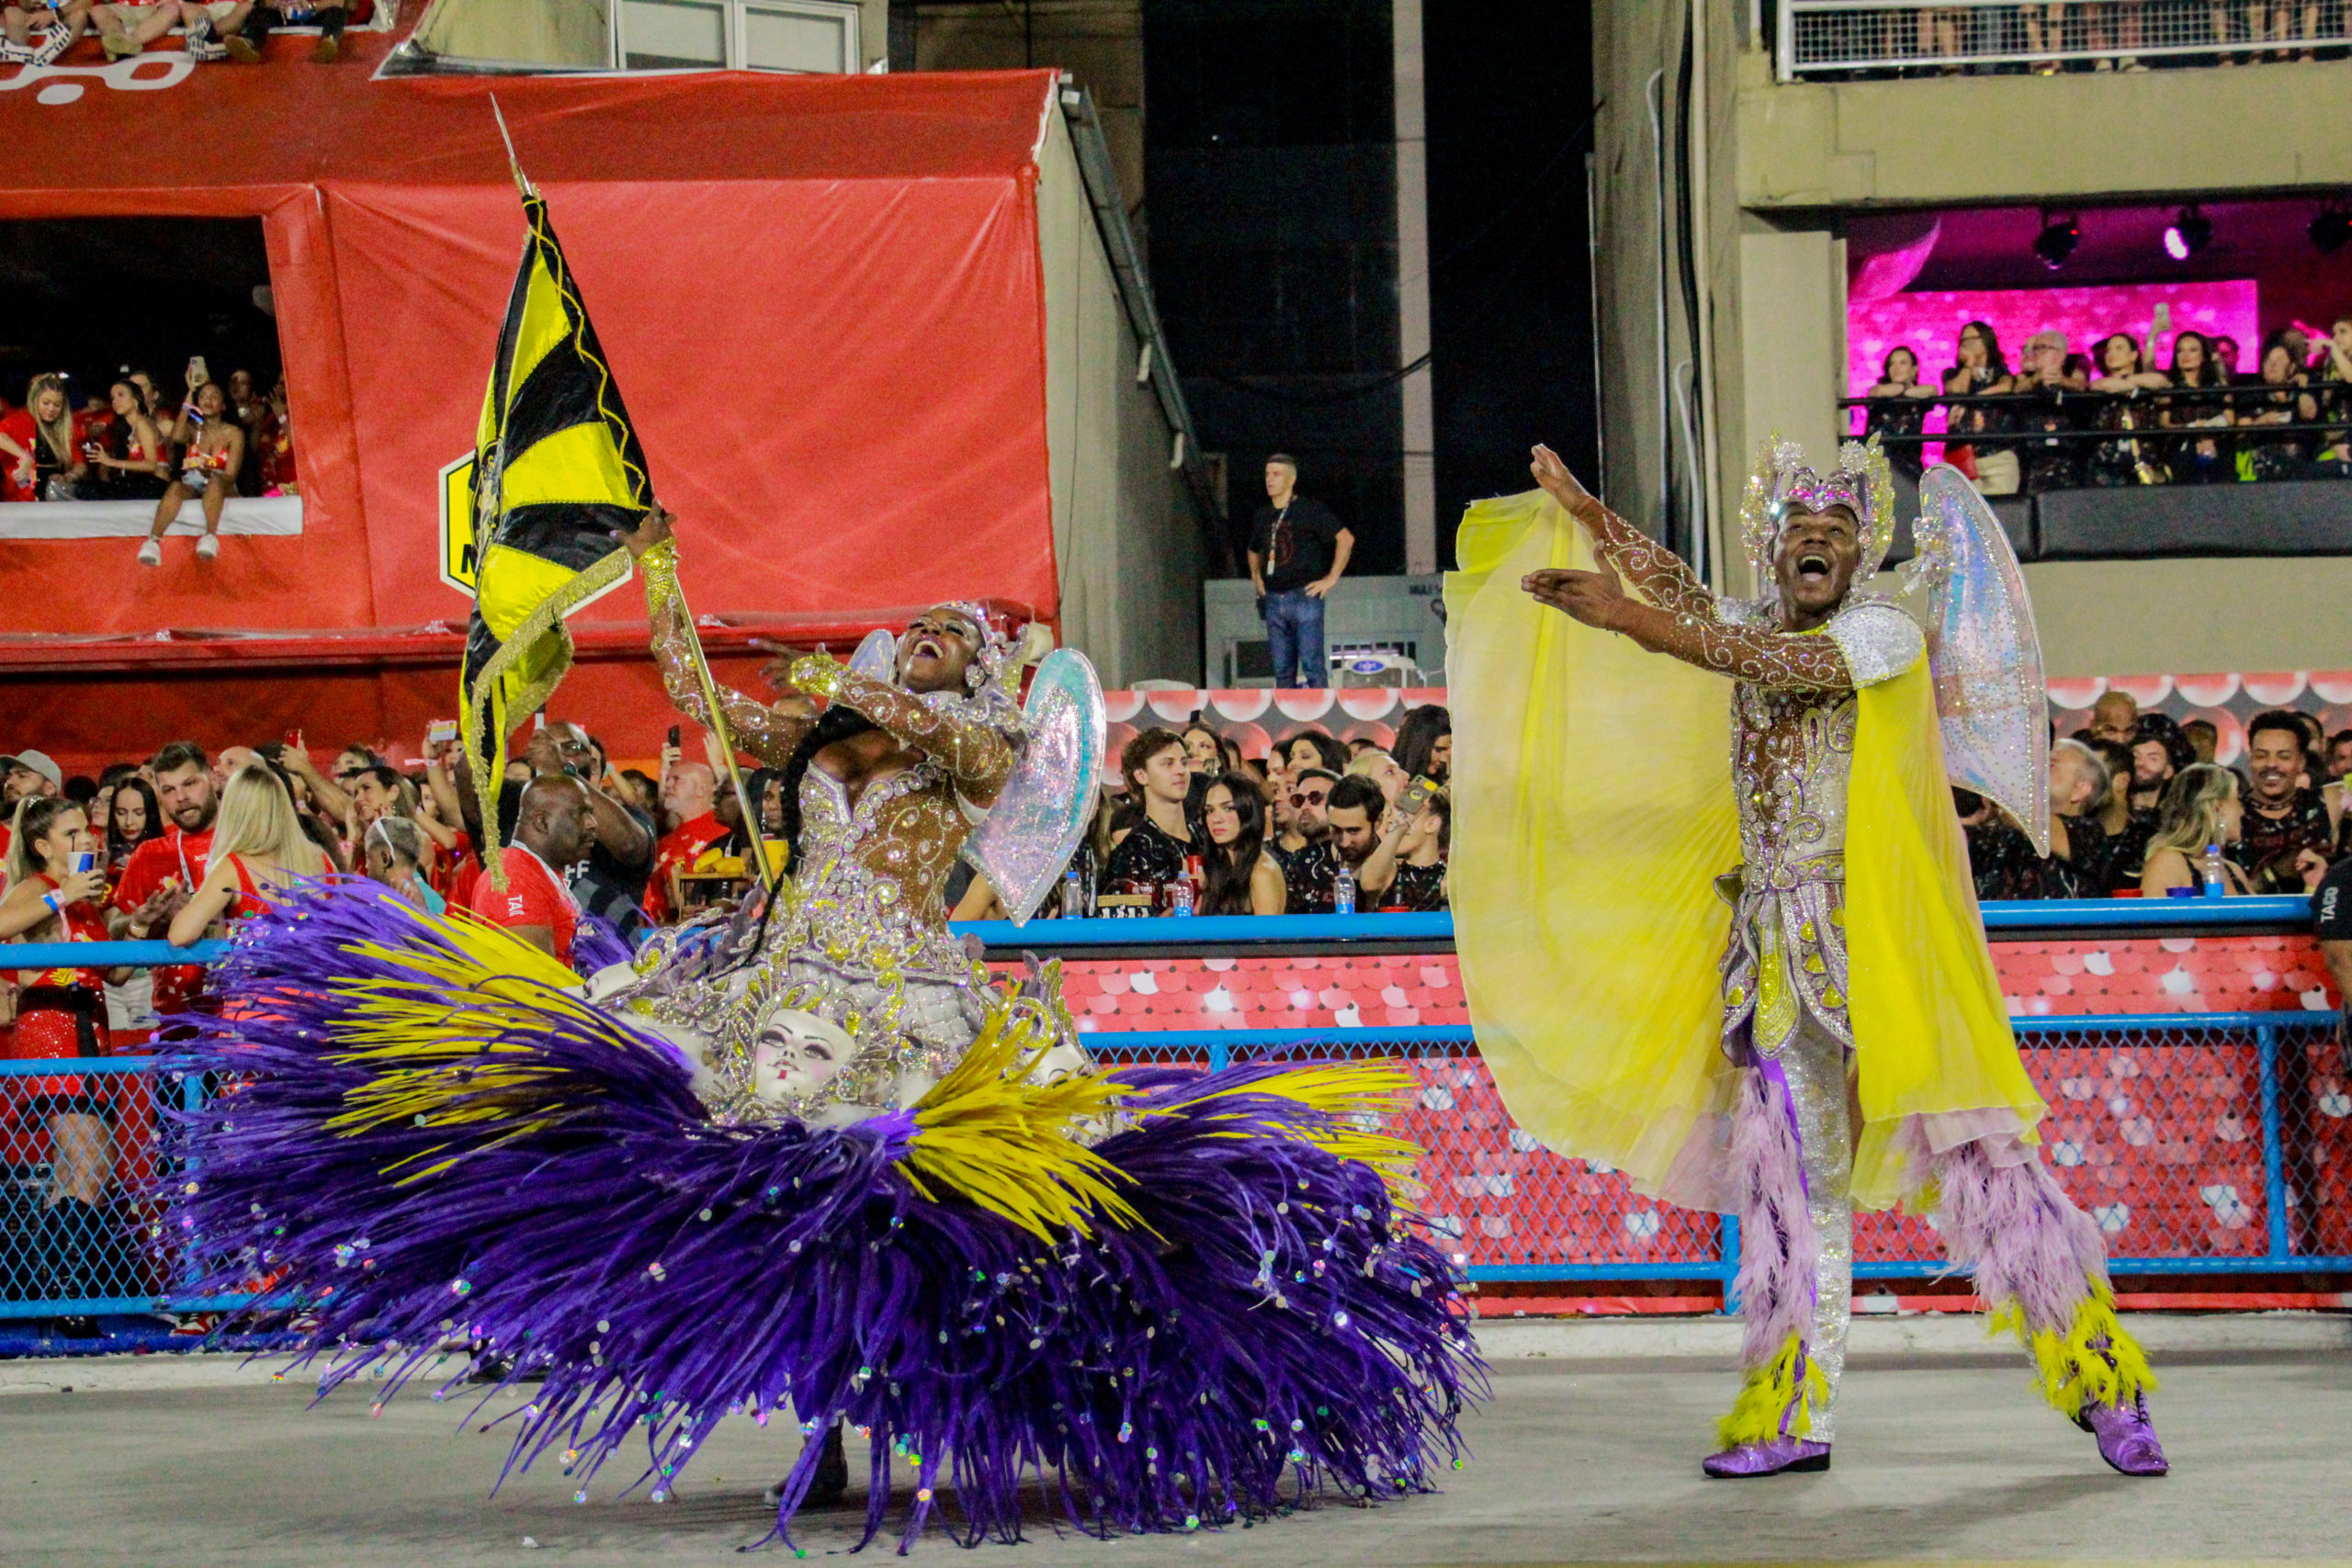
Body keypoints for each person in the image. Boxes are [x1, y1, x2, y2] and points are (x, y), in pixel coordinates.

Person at [1455, 438, 2165, 1479]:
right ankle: (1794, 1413)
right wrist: (1593, 517)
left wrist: (1632, 621)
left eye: (1836, 533)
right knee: (1794, 1185)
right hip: (1778, 953)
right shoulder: (1743, 620)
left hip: (1884, 937)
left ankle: (2105, 1388)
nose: (1816, 545)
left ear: (1859, 552)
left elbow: (1774, 664)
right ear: (1777, 550)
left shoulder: (1881, 630)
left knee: (1985, 1163)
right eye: (1800, 532)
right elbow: (1693, 599)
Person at [0, 794, 134, 1337]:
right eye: (74, 833)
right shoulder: (37, 889)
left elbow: (119, 974)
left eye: (87, 831)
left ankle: (52, 1294)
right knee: (88, 1165)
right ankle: (68, 1296)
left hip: (90, 1029)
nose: (89, 840)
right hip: (53, 1031)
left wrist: (137, 922)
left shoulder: (85, 901)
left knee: (73, 1170)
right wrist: (62, 894)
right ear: (43, 845)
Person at [107, 742, 217, 1013]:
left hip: (251, 1017)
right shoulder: (150, 854)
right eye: (169, 790)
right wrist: (149, 918)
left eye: (190, 784)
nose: (181, 797)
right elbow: (112, 932)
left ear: (212, 778)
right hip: (178, 1021)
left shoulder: (250, 843)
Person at [166, 763, 330, 945]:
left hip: (258, 972)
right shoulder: (321, 858)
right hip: (321, 973)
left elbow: (180, 935)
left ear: (232, 812)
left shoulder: (232, 867)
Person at [1248, 454, 1354, 690]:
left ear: (1291, 479)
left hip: (1304, 594)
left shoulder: (1308, 510)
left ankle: (1321, 720)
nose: (1269, 480)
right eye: (1267, 474)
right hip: (1274, 597)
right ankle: (1287, 720)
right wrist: (1257, 577)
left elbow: (1345, 538)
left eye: (1276, 474)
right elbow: (1253, 550)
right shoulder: (1263, 516)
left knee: (1312, 664)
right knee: (1281, 670)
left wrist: (1331, 579)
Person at [468, 773, 594, 967]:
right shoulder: (515, 878)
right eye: (580, 814)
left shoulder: (535, 870)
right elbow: (534, 986)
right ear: (542, 822)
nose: (592, 823)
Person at [137, 378, 245, 566]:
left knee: (215, 482)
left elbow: (231, 475)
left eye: (214, 396)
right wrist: (189, 394)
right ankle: (153, 542)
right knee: (176, 486)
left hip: (221, 484)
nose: (207, 400)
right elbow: (176, 438)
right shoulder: (193, 429)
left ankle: (210, 536)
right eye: (202, 397)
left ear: (224, 405)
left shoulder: (234, 433)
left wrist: (210, 472)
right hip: (194, 482)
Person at [2235, 710, 2339, 893]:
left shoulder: (2329, 801)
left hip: (2319, 919)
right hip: (2250, 920)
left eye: (2284, 756)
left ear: (2301, 762)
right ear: (2250, 759)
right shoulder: (2231, 814)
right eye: (2261, 755)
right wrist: (2273, 874)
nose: (2271, 764)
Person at [1101, 728, 1193, 908]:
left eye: (1184, 762)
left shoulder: (1207, 838)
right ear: (1141, 775)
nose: (1181, 770)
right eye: (1168, 763)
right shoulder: (1130, 854)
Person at [2138, 765, 2256, 897]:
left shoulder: (2234, 870)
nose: (2242, 811)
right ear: (2217, 808)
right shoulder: (2167, 863)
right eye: (2237, 801)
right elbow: (2152, 916)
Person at [2086, 333, 2170, 486]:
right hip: (2107, 468)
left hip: (2145, 465)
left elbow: (2160, 382)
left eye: (2119, 348)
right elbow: (2100, 385)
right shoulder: (2100, 384)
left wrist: (2125, 381)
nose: (2111, 354)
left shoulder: (2149, 381)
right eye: (2109, 350)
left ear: (2133, 355)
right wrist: (2135, 385)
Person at [1197, 771, 1285, 916]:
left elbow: (1267, 937)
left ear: (1248, 811)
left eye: (1228, 808)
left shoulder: (1262, 874)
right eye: (1210, 810)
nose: (1216, 819)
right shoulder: (1222, 869)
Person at [1942, 321, 2016, 494]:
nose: (1966, 343)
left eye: (1973, 338)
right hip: (1963, 456)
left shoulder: (2001, 372)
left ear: (1986, 341)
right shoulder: (1951, 373)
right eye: (1963, 340)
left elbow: (2006, 388)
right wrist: (1968, 365)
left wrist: (1973, 399)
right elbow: (1957, 390)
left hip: (1997, 455)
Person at [2012, 331, 2086, 494]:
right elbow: (2015, 390)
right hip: (2032, 465)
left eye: (2042, 348)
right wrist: (2036, 379)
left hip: (2068, 466)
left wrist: (2062, 381)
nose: (2035, 353)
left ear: (2060, 354)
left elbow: (2083, 388)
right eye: (2034, 348)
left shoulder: (2073, 381)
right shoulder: (2026, 382)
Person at [1356, 784, 1449, 912]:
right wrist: (1401, 826)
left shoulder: (1451, 877)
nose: (1391, 821)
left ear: (1432, 824)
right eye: (1390, 814)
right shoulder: (1389, 872)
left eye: (1404, 812)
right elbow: (1369, 883)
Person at [2159, 331, 2233, 484]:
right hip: (2182, 453)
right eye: (2180, 350)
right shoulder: (2169, 389)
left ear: (2204, 356)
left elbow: (2231, 421)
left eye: (2193, 350)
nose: (2185, 355)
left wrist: (2208, 432)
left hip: (2217, 450)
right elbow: (2164, 424)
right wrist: (2192, 428)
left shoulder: (2218, 388)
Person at [2240, 334, 2317, 480]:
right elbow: (2239, 430)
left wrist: (2303, 388)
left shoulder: (2297, 394)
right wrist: (2259, 423)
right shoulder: (2254, 394)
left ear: (2292, 367)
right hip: (2263, 471)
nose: (2272, 365)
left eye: (2279, 361)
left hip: (2302, 472)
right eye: (2268, 361)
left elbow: (2308, 414)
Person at [0, 374, 88, 503]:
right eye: (46, 403)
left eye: (57, 405)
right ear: (35, 400)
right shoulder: (17, 421)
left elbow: (80, 464)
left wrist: (68, 477)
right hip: (19, 499)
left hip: (55, 497)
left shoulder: (67, 429)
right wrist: (24, 456)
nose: (51, 408)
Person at [85, 380, 171, 502]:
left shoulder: (142, 423)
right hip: (141, 483)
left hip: (156, 485)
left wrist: (111, 462)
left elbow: (151, 465)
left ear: (135, 399)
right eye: (113, 398)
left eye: (121, 395)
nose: (115, 401)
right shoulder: (131, 428)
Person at [1860, 346, 1936, 482]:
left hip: (1909, 462)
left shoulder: (1920, 394)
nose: (1896, 368)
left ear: (1914, 369)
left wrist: (1905, 391)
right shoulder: (1879, 390)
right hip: (1879, 463)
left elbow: (1932, 390)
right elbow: (1877, 392)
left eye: (1903, 363)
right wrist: (1905, 388)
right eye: (1892, 363)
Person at [1272, 766, 1340, 914]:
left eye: (1315, 798)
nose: (1304, 806)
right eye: (1299, 800)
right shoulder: (1295, 862)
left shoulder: (1355, 853)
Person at [361, 815, 446, 916]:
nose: (366, 866)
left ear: (385, 858)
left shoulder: (413, 901)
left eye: (369, 858)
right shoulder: (425, 894)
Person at [1393, 703, 1453, 784]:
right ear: (1418, 746)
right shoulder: (1390, 781)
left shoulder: (1441, 783)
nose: (1443, 759)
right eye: (1438, 750)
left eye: (1447, 750)